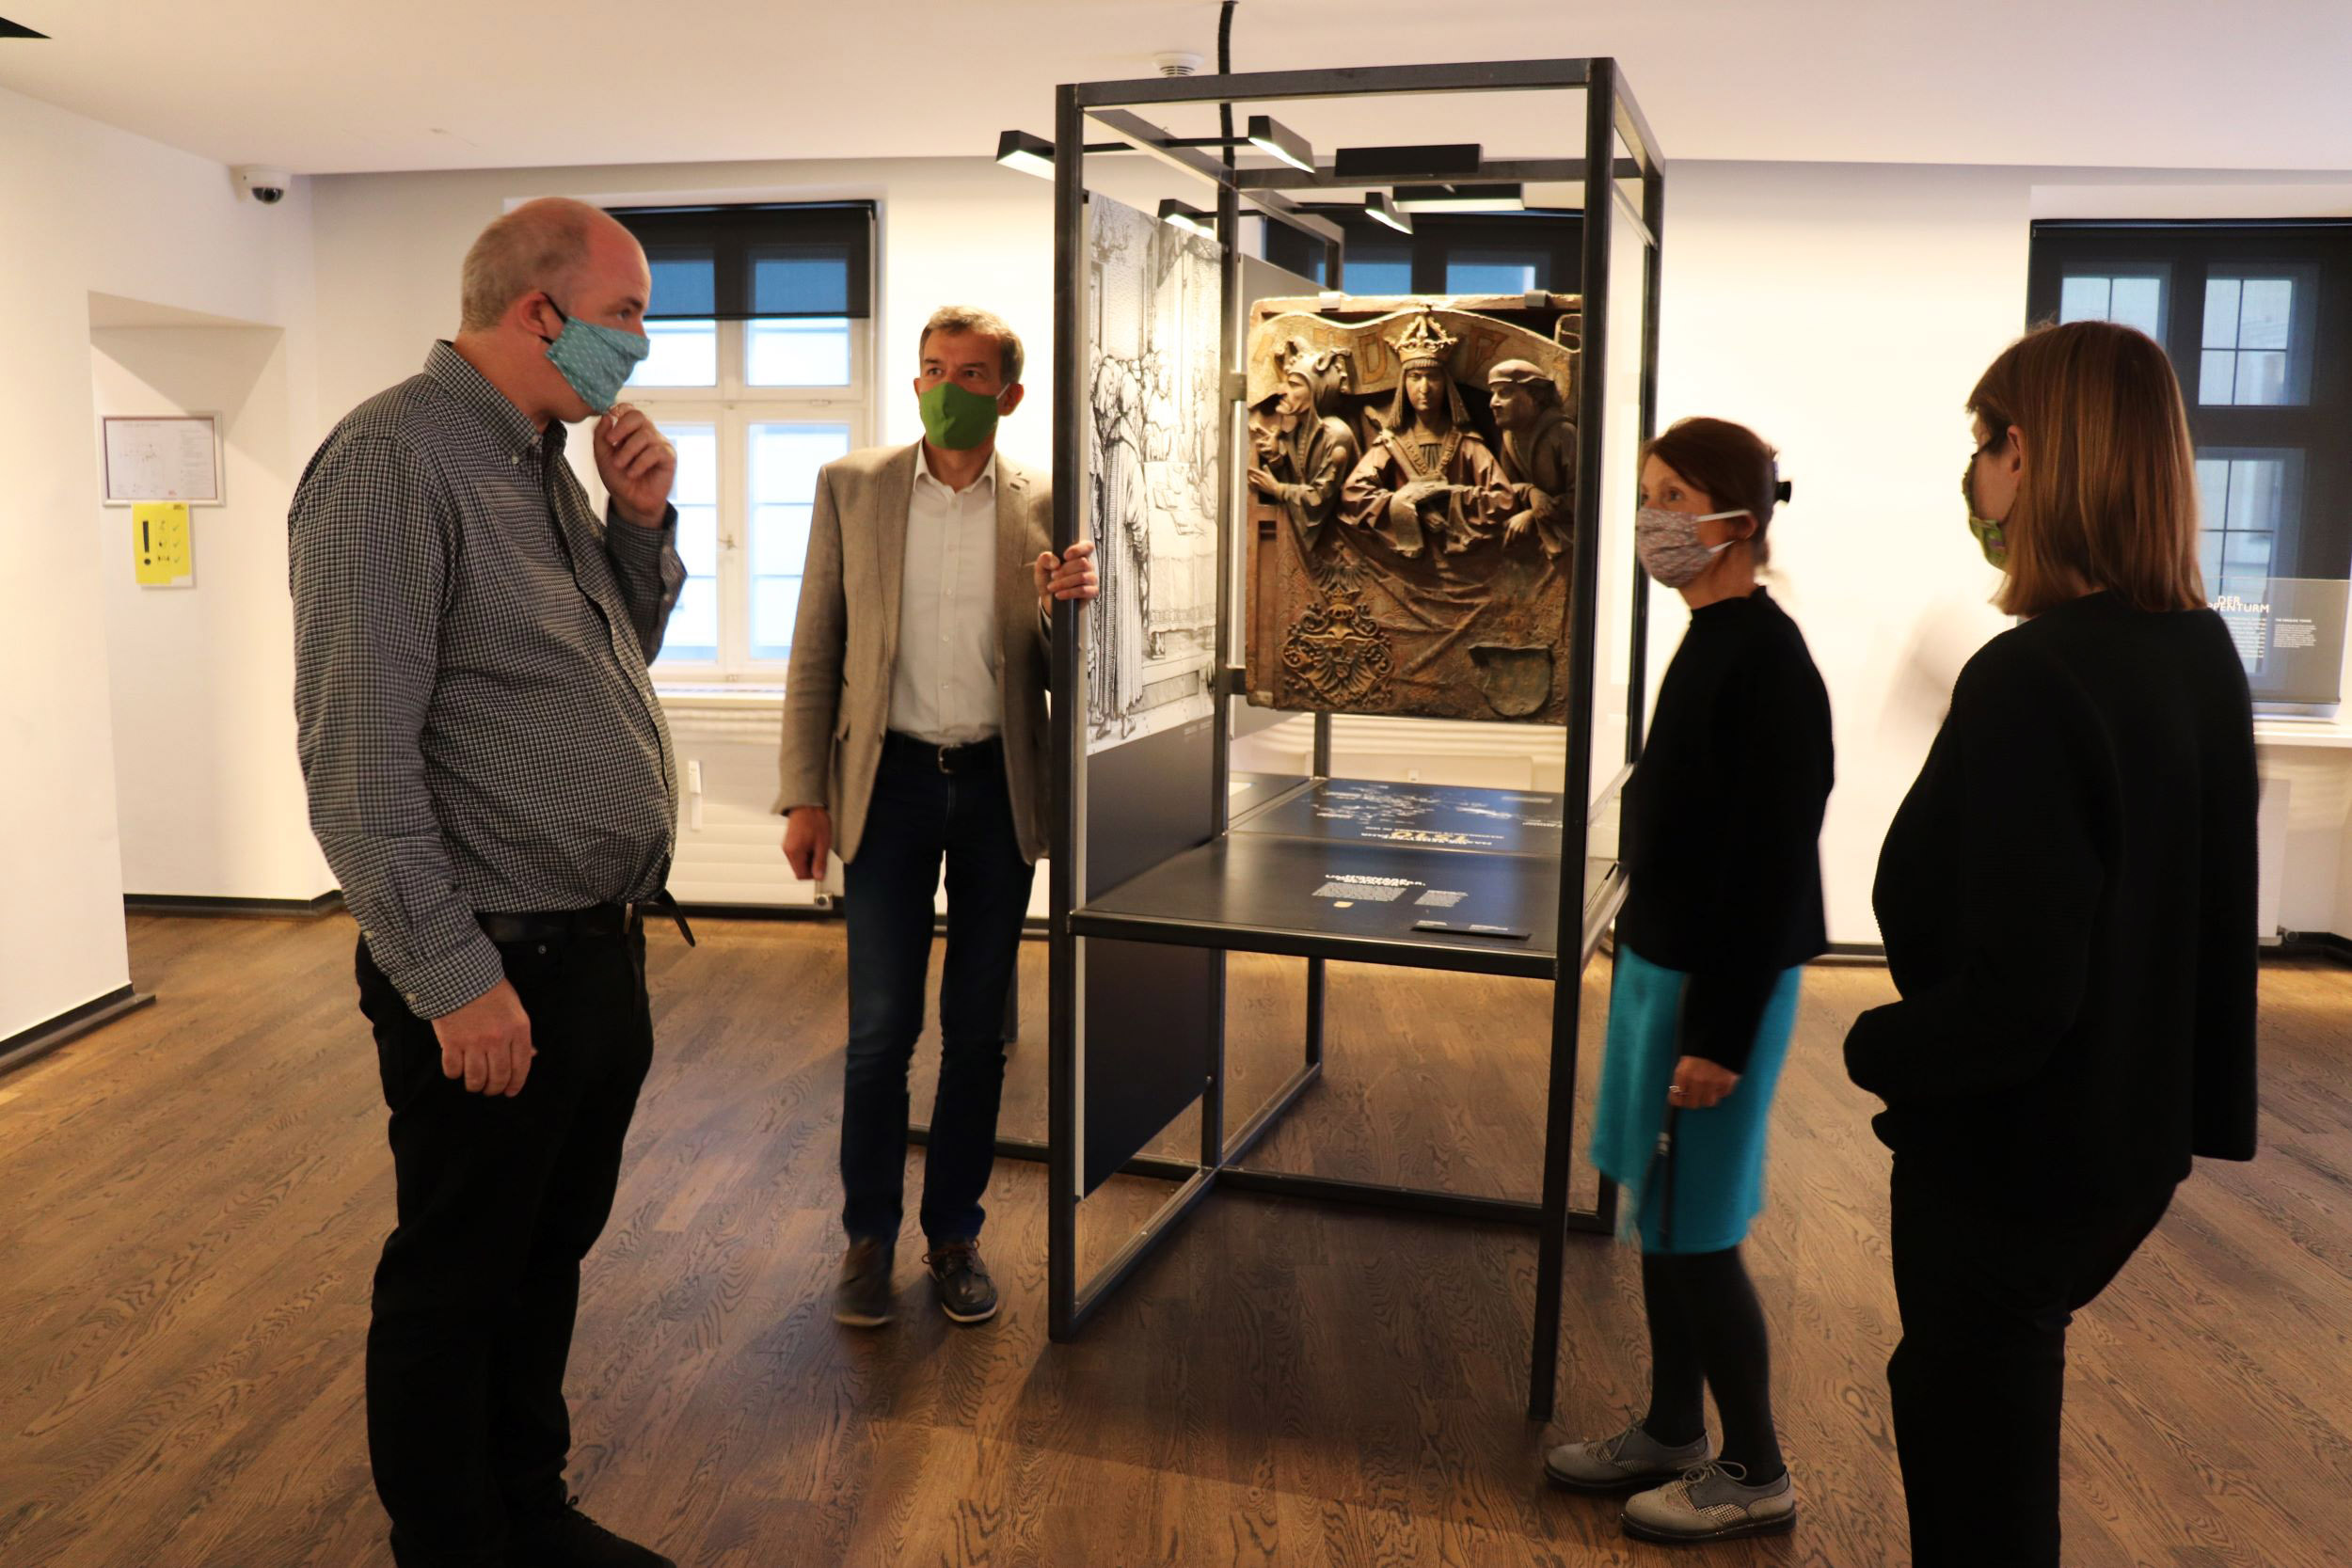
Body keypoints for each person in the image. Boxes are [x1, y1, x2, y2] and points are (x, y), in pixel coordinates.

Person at [291, 197, 684, 1568]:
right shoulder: (395, 460)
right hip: (494, 963)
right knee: (457, 1278)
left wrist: (639, 522)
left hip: (591, 951)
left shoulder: (537, 459)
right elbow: (357, 765)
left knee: (545, 1252)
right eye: (627, 312)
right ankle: (452, 1542)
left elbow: (605, 661)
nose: (642, 341)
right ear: (541, 313)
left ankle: (527, 1501)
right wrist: (458, 980)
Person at [1844, 319, 2258, 1567]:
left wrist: (1881, 1044)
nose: (1976, 481)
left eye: (1984, 446)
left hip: (2016, 1147)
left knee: (1975, 1457)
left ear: (2031, 456)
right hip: (2124, 1140)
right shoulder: (2196, 652)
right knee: (1993, 1408)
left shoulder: (2036, 677)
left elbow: (2019, 986)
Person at [776, 305, 1098, 1330]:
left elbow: (1061, 679)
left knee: (976, 1035)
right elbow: (816, 646)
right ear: (913, 382)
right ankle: (867, 1237)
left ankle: (952, 1229)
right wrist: (804, 794)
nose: (944, 385)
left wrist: (1063, 609)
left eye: (968, 372)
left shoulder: (1051, 502)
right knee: (880, 1030)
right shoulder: (854, 487)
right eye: (929, 369)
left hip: (1001, 786)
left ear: (1007, 394)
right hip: (889, 784)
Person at [1547, 418, 1830, 1545]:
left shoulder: (1765, 657)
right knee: (1658, 1215)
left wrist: (1713, 1035)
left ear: (1736, 523)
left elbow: (1765, 869)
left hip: (1718, 991)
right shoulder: (1707, 635)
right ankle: (1671, 1426)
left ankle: (1755, 1463)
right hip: (1663, 968)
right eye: (1648, 494)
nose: (1652, 518)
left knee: (1700, 1228)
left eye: (1673, 497)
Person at [1339, 309, 1512, 558]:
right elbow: (1354, 493)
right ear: (1403, 384)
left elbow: (1503, 499)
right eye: (1415, 377)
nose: (1424, 388)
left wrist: (1452, 500)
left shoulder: (1465, 441)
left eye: (1432, 377)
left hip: (1463, 557)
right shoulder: (1391, 443)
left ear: (1446, 384)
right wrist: (1407, 507)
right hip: (1404, 562)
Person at [1247, 341, 1361, 568]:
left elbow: (1319, 498)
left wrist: (1277, 489)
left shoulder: (1336, 435)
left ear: (1317, 391)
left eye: (1294, 385)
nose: (1283, 391)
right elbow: (1299, 481)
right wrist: (1276, 458)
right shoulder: (1299, 433)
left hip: (1343, 547)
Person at [1486, 357, 1577, 557]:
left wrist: (1533, 514)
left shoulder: (1562, 433)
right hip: (1530, 537)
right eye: (1494, 394)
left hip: (1566, 540)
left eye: (1505, 393)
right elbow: (1507, 491)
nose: (1493, 403)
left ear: (1534, 397)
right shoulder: (1510, 436)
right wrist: (1532, 492)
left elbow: (1581, 498)